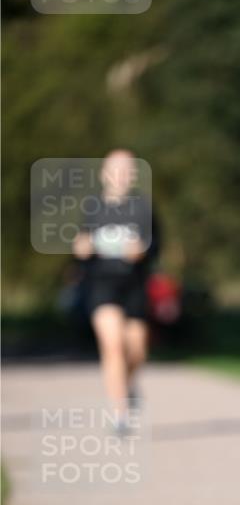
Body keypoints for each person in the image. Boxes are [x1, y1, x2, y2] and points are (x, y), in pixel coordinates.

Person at [72, 149, 160, 427]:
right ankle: (119, 414)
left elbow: (157, 245)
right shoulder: (92, 207)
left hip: (134, 284)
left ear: (133, 175)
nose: (121, 175)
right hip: (100, 284)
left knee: (137, 350)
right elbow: (80, 245)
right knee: (112, 347)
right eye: (116, 169)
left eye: (127, 170)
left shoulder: (143, 208)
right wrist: (80, 248)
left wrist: (142, 251)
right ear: (104, 173)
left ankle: (127, 384)